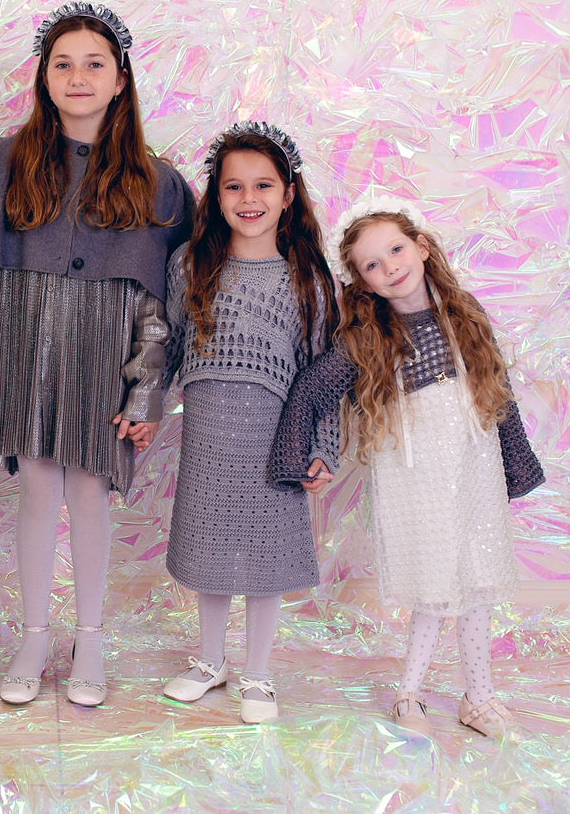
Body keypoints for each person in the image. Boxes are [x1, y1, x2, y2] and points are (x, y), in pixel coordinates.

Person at [0, 2, 193, 706]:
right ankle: (34, 635)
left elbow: (163, 299)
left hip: (106, 346)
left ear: (120, 80)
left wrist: (145, 392)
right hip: (26, 340)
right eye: (62, 63)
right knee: (37, 485)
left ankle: (89, 637)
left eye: (95, 63)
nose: (77, 76)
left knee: (90, 489)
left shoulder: (158, 183)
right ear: (43, 76)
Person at [271, 196, 544, 738]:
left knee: (478, 582)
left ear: (421, 247)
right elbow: (310, 389)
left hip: (474, 465)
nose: (390, 267)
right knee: (434, 587)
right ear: (362, 282)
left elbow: (500, 389)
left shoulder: (464, 314)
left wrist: (516, 461)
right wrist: (300, 454)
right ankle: (409, 693)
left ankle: (479, 699)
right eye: (372, 264)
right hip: (416, 478)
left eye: (396, 250)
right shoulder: (367, 338)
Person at [159, 123, 338, 723]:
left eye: (263, 185)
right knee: (209, 545)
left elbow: (322, 372)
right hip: (208, 433)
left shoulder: (307, 278)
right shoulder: (191, 265)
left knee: (265, 555)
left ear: (288, 194)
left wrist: (323, 446)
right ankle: (211, 661)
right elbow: (168, 344)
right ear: (217, 195)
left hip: (276, 437)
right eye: (233, 186)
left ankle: (258, 672)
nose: (248, 198)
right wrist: (142, 404)